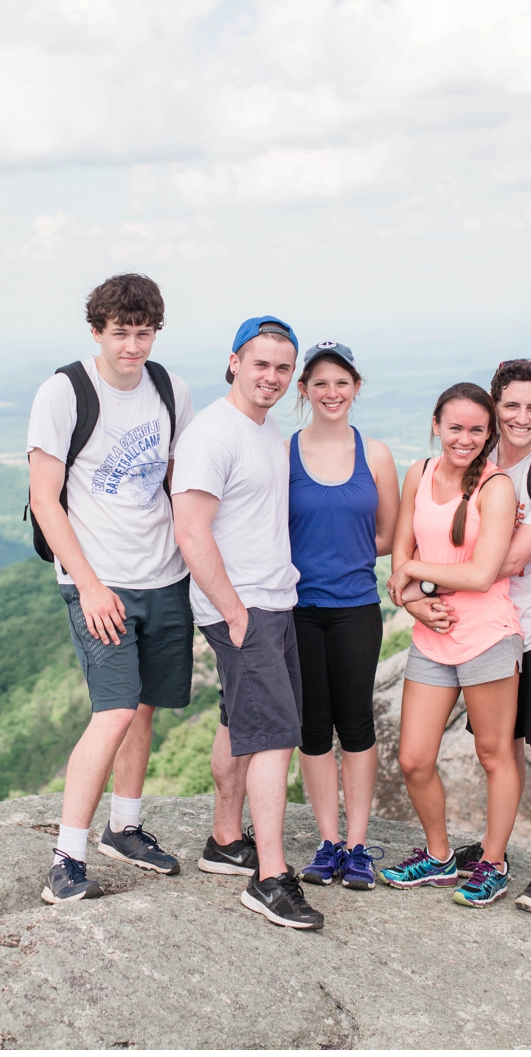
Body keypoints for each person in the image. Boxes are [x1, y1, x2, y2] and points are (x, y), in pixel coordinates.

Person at [26, 273, 196, 904]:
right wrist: (90, 586)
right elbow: (45, 499)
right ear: (96, 330)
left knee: (146, 705)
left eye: (143, 332)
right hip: (100, 581)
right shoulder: (65, 392)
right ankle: (66, 857)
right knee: (115, 709)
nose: (132, 345)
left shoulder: (170, 388)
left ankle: (124, 826)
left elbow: (179, 482)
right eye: (120, 332)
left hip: (165, 573)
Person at [172, 316, 323, 930]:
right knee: (275, 736)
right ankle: (269, 878)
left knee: (241, 721)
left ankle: (224, 839)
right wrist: (233, 610)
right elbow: (189, 529)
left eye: (284, 368)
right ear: (234, 362)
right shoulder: (214, 433)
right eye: (261, 364)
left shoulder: (268, 430)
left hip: (271, 600)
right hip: (244, 605)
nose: (273, 377)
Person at [379, 382, 524, 908]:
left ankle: (493, 861)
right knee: (414, 759)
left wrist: (416, 571)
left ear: (489, 434)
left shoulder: (496, 486)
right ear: (436, 424)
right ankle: (439, 858)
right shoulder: (418, 473)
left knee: (493, 753)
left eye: (476, 430)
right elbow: (398, 562)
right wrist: (415, 602)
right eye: (455, 427)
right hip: (432, 634)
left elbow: (484, 573)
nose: (464, 438)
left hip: (487, 635)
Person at [287, 342, 400, 892]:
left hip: (356, 606)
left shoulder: (375, 455)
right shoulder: (282, 452)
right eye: (320, 383)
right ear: (303, 390)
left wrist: (345, 554)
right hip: (298, 609)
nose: (332, 393)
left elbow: (388, 535)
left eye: (342, 382)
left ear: (356, 388)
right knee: (312, 727)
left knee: (354, 722)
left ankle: (357, 847)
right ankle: (327, 841)